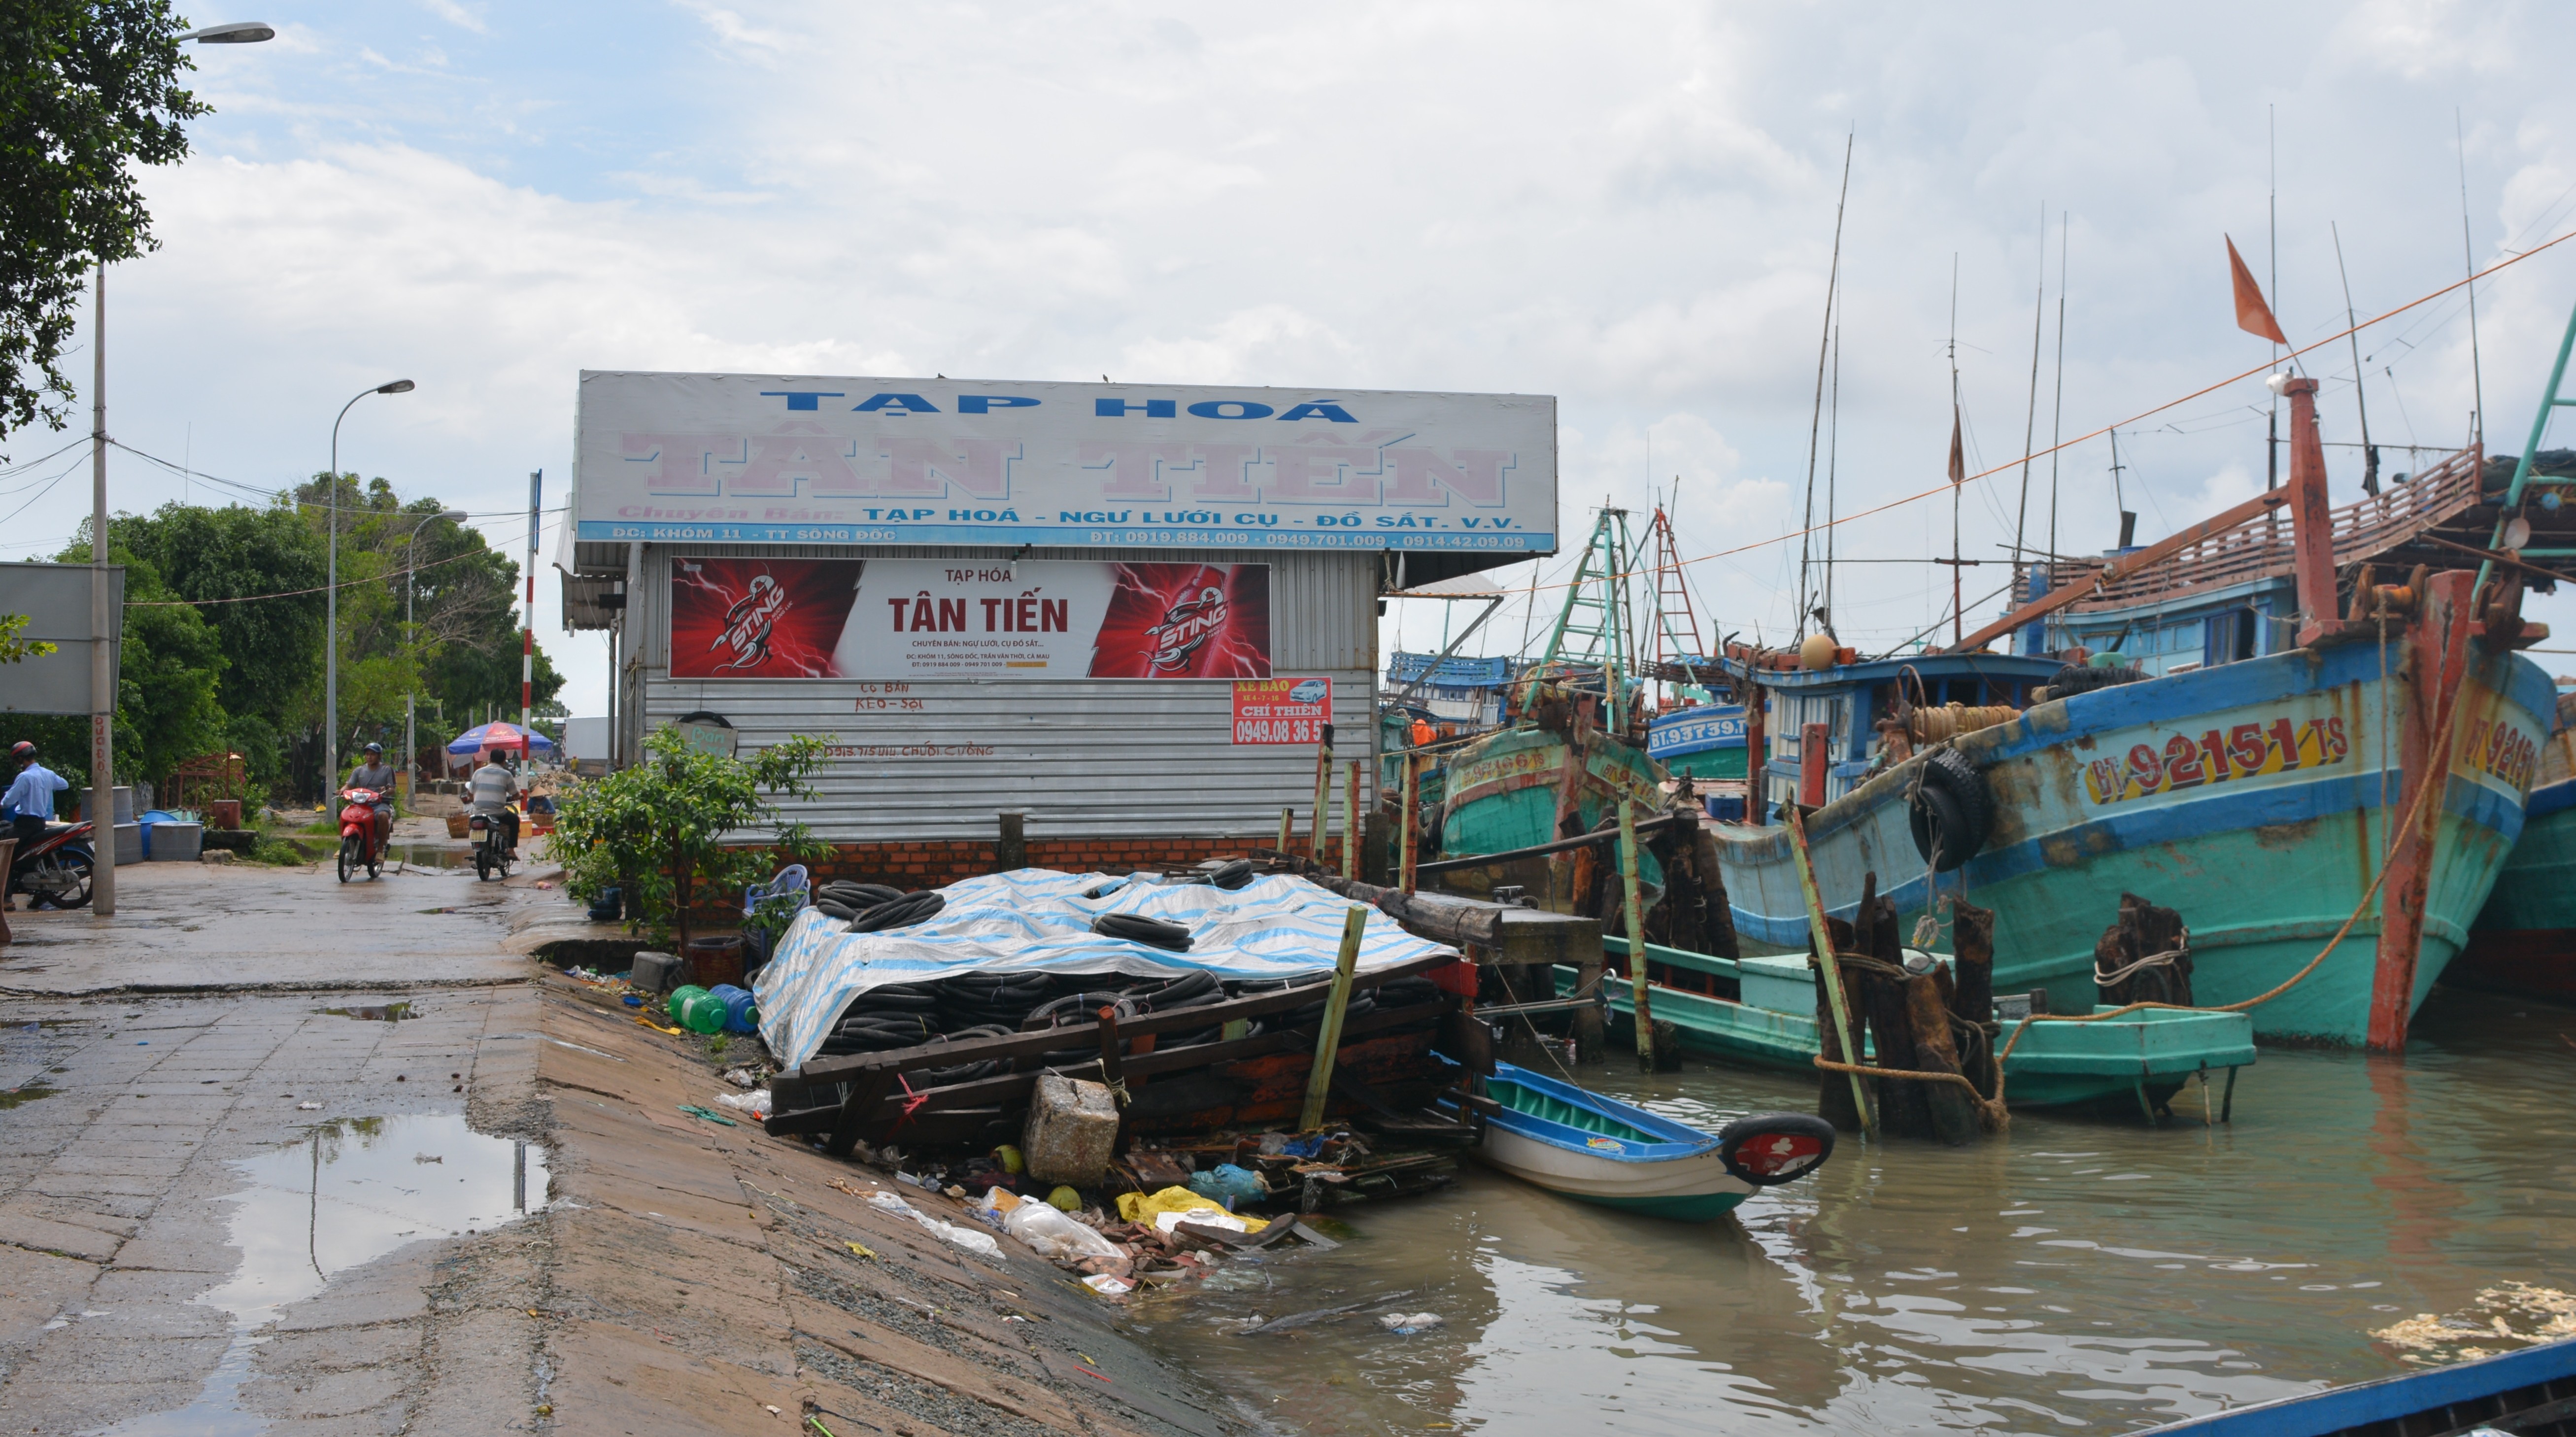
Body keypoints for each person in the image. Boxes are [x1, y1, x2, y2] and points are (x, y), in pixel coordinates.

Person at [3, 741, 70, 895]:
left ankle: (6, 899)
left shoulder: (25, 777)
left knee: (4, 857)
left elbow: (8, 801)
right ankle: (39, 896)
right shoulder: (48, 774)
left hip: (25, 825)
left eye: (16, 759)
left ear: (21, 759)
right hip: (41, 823)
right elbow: (64, 785)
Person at [345, 742, 399, 853]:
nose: (369, 757)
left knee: (383, 816)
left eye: (373, 754)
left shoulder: (387, 770)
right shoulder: (359, 770)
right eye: (367, 754)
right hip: (361, 804)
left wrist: (387, 790)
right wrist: (341, 791)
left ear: (379, 756)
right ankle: (345, 844)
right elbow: (349, 785)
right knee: (345, 815)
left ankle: (380, 849)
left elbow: (393, 789)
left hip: (379, 804)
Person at [469, 752, 521, 857]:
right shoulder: (506, 774)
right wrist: (519, 796)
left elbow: (470, 794)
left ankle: (475, 847)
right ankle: (511, 850)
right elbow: (515, 795)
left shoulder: (478, 773)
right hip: (498, 812)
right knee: (515, 820)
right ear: (503, 761)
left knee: (471, 824)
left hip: (478, 811)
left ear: (490, 759)